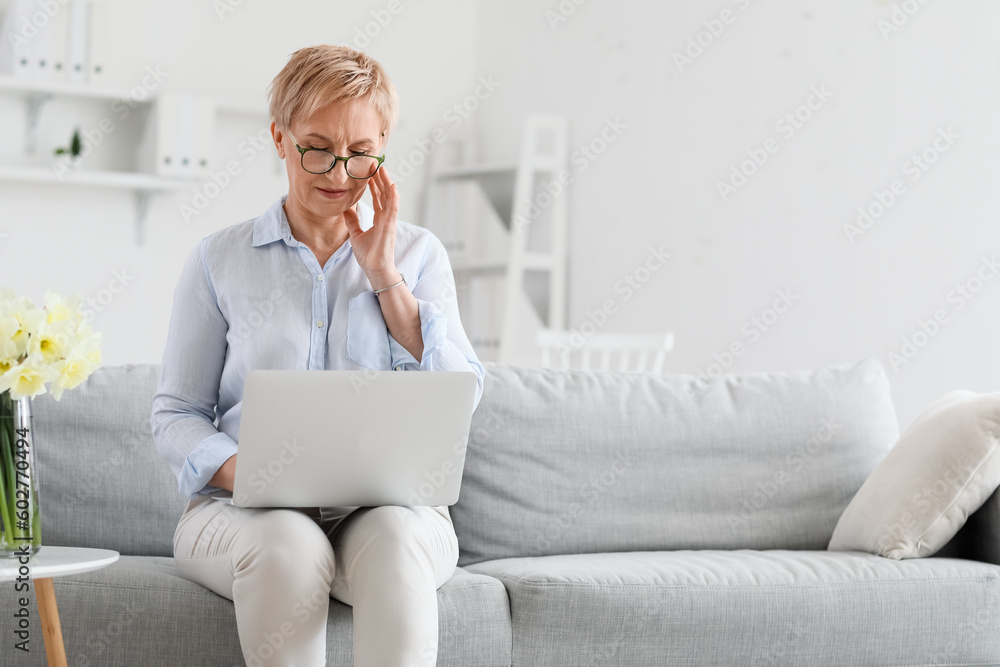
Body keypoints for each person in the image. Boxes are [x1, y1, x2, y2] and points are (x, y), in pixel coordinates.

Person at [150, 44, 485, 666]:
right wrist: (255, 476)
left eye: (360, 153)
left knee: (394, 539)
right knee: (287, 545)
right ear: (280, 139)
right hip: (244, 514)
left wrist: (384, 276)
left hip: (387, 514)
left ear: (383, 146)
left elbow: (459, 395)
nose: (337, 172)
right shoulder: (219, 260)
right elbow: (176, 416)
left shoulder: (419, 257)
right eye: (317, 146)